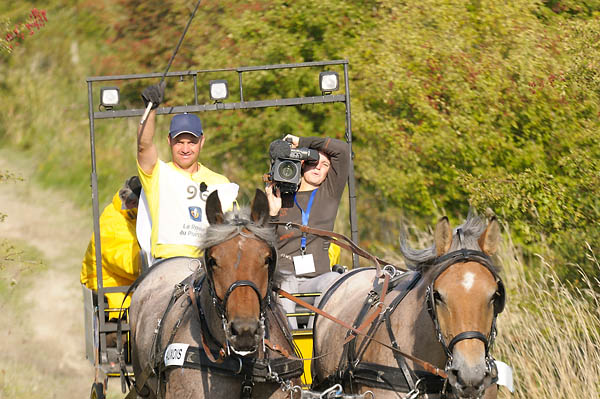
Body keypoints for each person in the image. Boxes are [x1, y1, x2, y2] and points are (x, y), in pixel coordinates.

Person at [137, 83, 238, 260]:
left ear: (202, 141)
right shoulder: (158, 174)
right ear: (169, 141)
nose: (185, 149)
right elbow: (143, 146)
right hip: (167, 263)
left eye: (191, 142)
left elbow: (232, 228)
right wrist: (150, 109)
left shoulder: (220, 182)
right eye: (179, 142)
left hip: (206, 265)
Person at [266, 134, 350, 329]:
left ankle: (316, 341)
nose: (319, 167)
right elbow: (262, 246)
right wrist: (272, 214)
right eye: (314, 161)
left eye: (325, 165)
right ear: (303, 164)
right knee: (284, 283)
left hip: (317, 278)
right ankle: (290, 346)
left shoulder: (329, 192)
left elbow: (342, 150)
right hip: (285, 277)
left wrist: (302, 143)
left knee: (333, 280)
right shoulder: (280, 196)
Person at [81, 176, 142, 319]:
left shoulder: (134, 218)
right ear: (132, 202)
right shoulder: (113, 223)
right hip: (112, 288)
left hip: (131, 286)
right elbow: (130, 266)